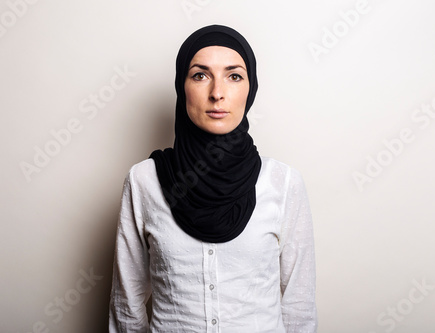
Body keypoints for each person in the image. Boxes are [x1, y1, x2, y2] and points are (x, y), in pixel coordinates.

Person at [109, 24, 317, 332]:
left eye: (234, 76)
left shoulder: (283, 183)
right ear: (182, 86)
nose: (217, 93)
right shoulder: (143, 181)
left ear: (251, 88)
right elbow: (127, 303)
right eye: (200, 75)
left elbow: (299, 306)